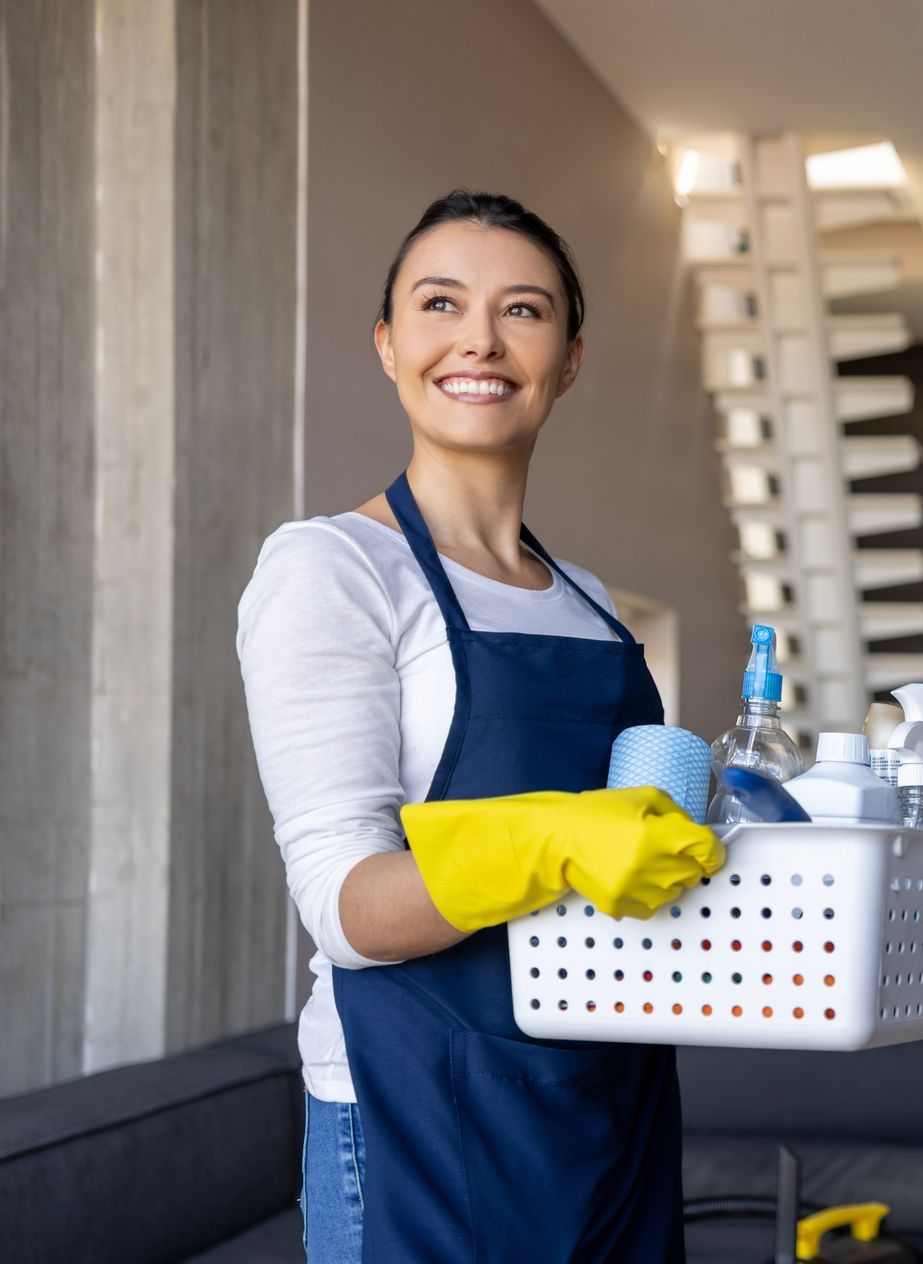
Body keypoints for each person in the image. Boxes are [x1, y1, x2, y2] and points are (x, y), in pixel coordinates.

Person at [238, 191, 721, 1261]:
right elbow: (346, 911)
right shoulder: (333, 569)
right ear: (388, 343)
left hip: (613, 1095)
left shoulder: (589, 600)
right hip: (418, 1112)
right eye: (440, 303)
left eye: (525, 310)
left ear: (571, 355)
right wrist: (552, 839)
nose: (479, 340)